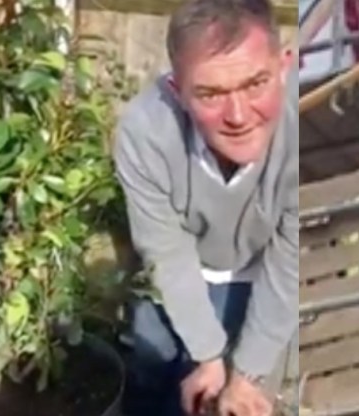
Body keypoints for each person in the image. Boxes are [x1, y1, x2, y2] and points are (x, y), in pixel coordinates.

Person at [112, 0, 297, 415]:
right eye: (210, 93)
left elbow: (289, 268)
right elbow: (166, 252)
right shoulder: (145, 132)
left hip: (265, 271)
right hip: (185, 267)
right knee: (152, 359)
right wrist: (208, 356)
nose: (238, 115)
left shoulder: (305, 126)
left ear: (284, 65)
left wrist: (244, 375)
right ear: (178, 91)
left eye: (256, 84)